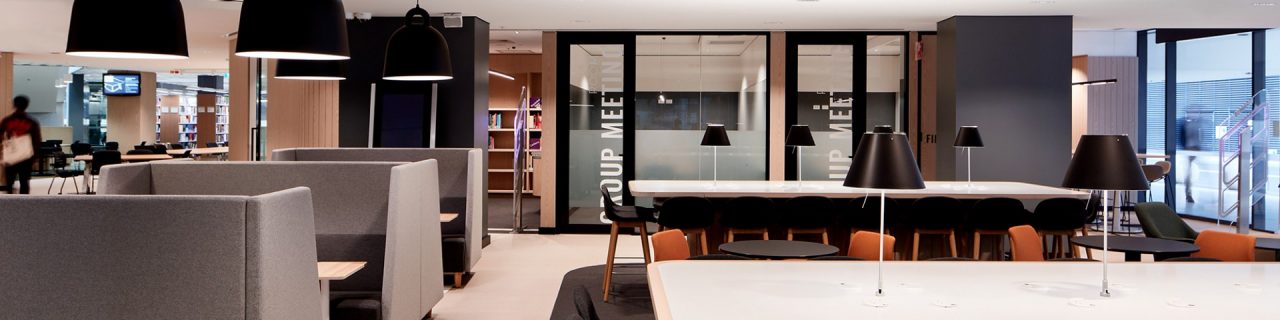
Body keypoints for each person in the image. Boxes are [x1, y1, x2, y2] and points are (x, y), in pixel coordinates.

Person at [1, 95, 43, 194]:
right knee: (24, 182)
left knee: (9, 182)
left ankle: (9, 203)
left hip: (11, 154)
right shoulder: (32, 122)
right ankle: (24, 203)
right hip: (26, 155)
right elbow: (37, 140)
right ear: (27, 105)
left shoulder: (7, 120)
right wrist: (35, 157)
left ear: (14, 105)